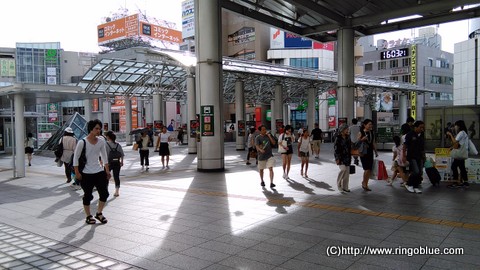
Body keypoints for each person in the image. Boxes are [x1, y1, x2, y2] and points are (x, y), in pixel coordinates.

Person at [73, 119, 111, 225]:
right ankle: (88, 216)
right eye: (96, 129)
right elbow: (75, 158)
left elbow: (104, 156)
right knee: (88, 196)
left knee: (104, 193)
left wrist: (107, 170)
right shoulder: (82, 142)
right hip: (86, 173)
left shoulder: (101, 141)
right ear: (91, 129)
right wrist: (77, 173)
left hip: (99, 171)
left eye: (99, 129)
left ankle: (99, 213)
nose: (98, 131)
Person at [402, 120, 426, 193]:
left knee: (419, 172)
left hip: (420, 156)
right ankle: (409, 184)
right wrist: (404, 156)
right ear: (415, 127)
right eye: (420, 127)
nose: (422, 129)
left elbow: (422, 147)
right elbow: (405, 146)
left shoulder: (421, 135)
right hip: (412, 156)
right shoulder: (410, 134)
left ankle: (415, 186)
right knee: (416, 171)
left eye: (423, 128)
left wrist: (424, 156)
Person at [446, 120, 470, 188]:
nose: (455, 127)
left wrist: (450, 134)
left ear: (459, 126)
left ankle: (456, 182)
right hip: (461, 152)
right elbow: (458, 144)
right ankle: (465, 182)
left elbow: (455, 142)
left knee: (454, 166)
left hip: (459, 153)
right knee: (462, 167)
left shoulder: (461, 133)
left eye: (456, 125)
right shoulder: (464, 133)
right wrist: (451, 148)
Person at [358, 119, 379, 191]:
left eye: (371, 124)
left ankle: (365, 183)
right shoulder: (361, 132)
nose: (371, 126)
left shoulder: (372, 132)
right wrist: (362, 139)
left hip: (370, 152)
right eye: (369, 124)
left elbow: (373, 143)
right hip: (363, 152)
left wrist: (375, 151)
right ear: (365, 125)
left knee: (369, 169)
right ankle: (364, 183)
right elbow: (356, 143)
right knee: (366, 169)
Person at [105, 131, 124, 197]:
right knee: (116, 176)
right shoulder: (118, 145)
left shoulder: (106, 144)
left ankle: (106, 190)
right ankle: (117, 191)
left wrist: (102, 162)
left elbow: (104, 155)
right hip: (117, 163)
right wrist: (121, 162)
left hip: (108, 163)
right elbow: (122, 154)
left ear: (108, 137)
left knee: (106, 177)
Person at [334, 124, 352, 192]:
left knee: (347, 173)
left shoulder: (348, 137)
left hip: (347, 157)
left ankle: (345, 187)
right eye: (346, 129)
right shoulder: (338, 138)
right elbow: (336, 149)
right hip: (340, 157)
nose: (348, 130)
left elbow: (350, 147)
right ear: (342, 130)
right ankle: (339, 185)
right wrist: (337, 158)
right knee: (343, 169)